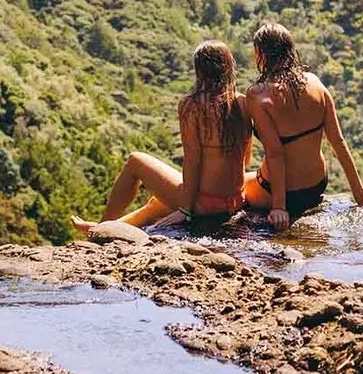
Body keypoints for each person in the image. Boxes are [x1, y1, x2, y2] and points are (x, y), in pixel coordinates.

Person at [72, 40, 252, 234]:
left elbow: (193, 162)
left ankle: (102, 229)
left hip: (204, 205)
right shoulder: (243, 102)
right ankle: (113, 228)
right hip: (235, 200)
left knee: (135, 160)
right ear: (228, 67)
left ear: (200, 71)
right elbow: (247, 160)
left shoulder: (192, 105)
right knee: (157, 204)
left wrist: (185, 210)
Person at [242, 22, 363, 229]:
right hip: (316, 186)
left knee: (237, 185)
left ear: (260, 53)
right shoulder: (315, 82)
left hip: (280, 192)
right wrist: (358, 190)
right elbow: (337, 141)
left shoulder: (258, 95)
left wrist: (279, 207)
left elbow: (275, 153)